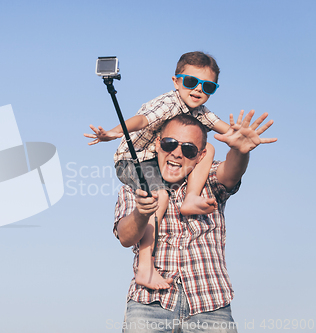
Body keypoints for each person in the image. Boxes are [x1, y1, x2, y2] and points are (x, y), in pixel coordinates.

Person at [114, 111, 276, 332]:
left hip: (210, 305)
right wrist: (141, 213)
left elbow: (231, 172)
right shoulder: (135, 186)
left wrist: (239, 151)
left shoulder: (208, 182)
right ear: (158, 146)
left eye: (188, 149)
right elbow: (125, 236)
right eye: (170, 144)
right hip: (149, 304)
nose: (178, 153)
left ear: (200, 156)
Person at [85, 51, 230, 290]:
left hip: (157, 159)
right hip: (134, 161)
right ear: (176, 82)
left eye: (208, 87)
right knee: (159, 197)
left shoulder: (200, 112)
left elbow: (224, 128)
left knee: (210, 147)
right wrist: (114, 132)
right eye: (191, 82)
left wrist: (242, 137)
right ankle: (145, 268)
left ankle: (191, 197)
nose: (198, 90)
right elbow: (142, 120)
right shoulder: (169, 103)